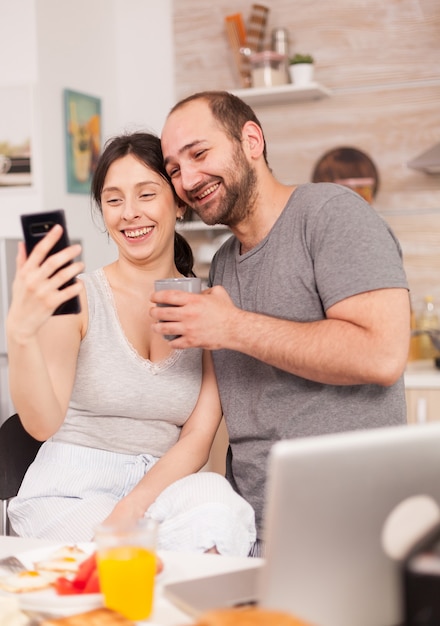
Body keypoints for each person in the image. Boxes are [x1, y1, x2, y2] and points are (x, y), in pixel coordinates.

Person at [152, 90, 411, 556]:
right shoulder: (225, 264)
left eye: (200, 153)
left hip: (349, 529)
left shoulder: (332, 213)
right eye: (173, 169)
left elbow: (383, 353)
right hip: (254, 529)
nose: (188, 179)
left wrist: (231, 327)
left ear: (251, 140)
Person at [6, 131, 256, 555]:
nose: (130, 214)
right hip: (71, 489)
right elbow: (42, 424)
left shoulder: (208, 302)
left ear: (179, 202)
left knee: (219, 510)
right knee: (126, 563)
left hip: (159, 484)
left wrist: (133, 506)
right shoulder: (79, 297)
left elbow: (197, 436)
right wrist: (21, 334)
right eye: (114, 199)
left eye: (146, 194)